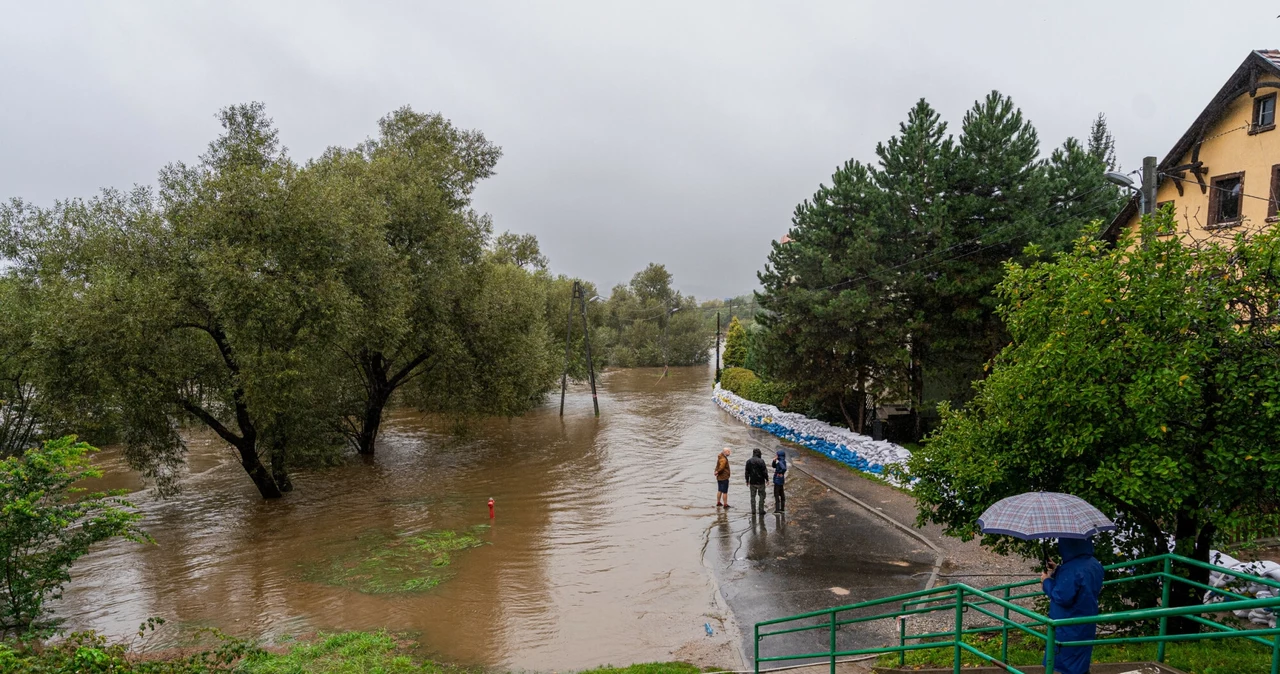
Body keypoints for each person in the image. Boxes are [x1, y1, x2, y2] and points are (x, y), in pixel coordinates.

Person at [1040, 537, 1104, 674]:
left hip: (1068, 624)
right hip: (1086, 621)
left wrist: (1046, 582)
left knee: (1067, 663)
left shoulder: (1071, 569)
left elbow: (1062, 596)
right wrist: (1057, 569)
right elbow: (1081, 584)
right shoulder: (1094, 564)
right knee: (1080, 661)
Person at [745, 448, 768, 514]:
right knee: (762, 496)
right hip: (761, 482)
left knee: (752, 497)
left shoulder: (748, 461)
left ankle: (753, 510)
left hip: (752, 482)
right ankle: (761, 510)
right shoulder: (761, 461)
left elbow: (747, 472)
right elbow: (764, 472)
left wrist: (747, 480)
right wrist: (767, 479)